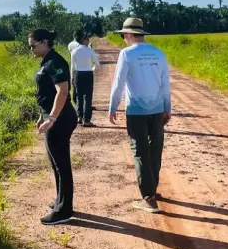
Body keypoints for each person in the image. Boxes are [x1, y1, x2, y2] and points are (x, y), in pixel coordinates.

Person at [107, 17, 171, 214]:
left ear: (128, 34)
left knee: (140, 150)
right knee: (155, 149)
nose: (124, 39)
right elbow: (165, 84)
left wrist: (112, 107)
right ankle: (152, 188)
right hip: (157, 108)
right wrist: (167, 108)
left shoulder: (127, 54)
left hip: (136, 110)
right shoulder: (158, 54)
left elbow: (118, 83)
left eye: (124, 35)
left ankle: (149, 198)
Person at [29, 29, 78, 225]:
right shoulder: (47, 61)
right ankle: (60, 200)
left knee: (61, 165)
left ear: (45, 42)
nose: (30, 49)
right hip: (53, 117)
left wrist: (51, 118)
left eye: (33, 45)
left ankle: (64, 210)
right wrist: (43, 117)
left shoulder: (55, 62)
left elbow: (63, 92)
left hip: (61, 118)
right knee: (55, 163)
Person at [70, 35, 100, 127]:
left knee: (79, 96)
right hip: (88, 74)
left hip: (78, 74)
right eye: (87, 39)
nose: (88, 41)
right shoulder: (90, 51)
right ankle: (86, 120)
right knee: (88, 97)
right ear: (83, 40)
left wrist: (72, 77)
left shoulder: (74, 51)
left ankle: (79, 117)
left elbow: (72, 66)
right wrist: (92, 69)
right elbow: (97, 64)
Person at [67, 29, 84, 107]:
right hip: (83, 68)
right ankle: (83, 106)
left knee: (75, 89)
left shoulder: (70, 45)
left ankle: (78, 105)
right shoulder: (80, 45)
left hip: (75, 69)